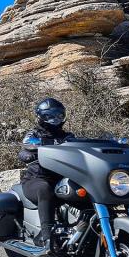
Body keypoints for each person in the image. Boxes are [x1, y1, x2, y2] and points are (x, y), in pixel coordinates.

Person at [18, 98, 74, 249]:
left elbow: (78, 147)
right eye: (50, 116)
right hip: (36, 180)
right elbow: (24, 149)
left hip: (61, 180)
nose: (55, 119)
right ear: (40, 117)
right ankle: (46, 237)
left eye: (58, 115)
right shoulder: (34, 134)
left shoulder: (68, 137)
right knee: (44, 189)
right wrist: (31, 152)